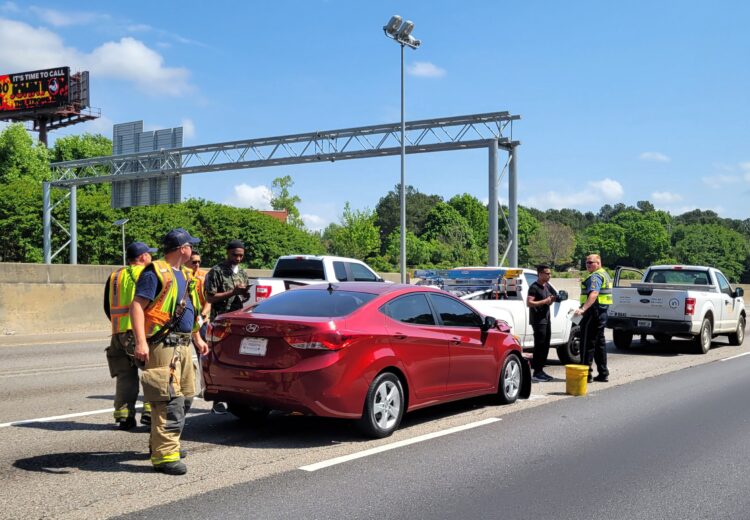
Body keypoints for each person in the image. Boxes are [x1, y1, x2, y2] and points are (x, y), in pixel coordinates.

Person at [130, 228, 209, 476]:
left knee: (185, 398)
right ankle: (165, 456)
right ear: (181, 249)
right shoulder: (155, 272)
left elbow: (188, 311)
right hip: (164, 346)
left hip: (184, 345)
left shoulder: (184, 275)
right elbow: (137, 306)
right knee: (168, 401)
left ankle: (163, 444)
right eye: (190, 246)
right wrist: (141, 342)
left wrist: (197, 338)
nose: (192, 250)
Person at [103, 241, 157, 430]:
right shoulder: (146, 274)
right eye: (149, 254)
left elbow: (106, 306)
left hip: (117, 333)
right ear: (143, 257)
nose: (151, 257)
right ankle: (151, 413)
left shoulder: (115, 276)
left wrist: (119, 326)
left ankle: (124, 416)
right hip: (139, 333)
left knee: (125, 376)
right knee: (153, 372)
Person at [204, 239, 250, 414]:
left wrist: (244, 294)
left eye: (241, 256)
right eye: (235, 255)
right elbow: (210, 298)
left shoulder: (243, 273)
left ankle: (237, 398)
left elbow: (243, 298)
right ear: (227, 253)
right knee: (219, 359)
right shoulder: (216, 272)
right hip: (221, 322)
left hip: (238, 322)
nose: (238, 259)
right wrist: (233, 292)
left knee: (238, 361)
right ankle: (217, 400)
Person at [574, 254, 613, 383]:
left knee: (587, 343)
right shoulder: (604, 274)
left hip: (592, 312)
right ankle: (603, 373)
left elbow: (594, 293)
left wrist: (583, 309)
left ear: (598, 263)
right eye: (586, 262)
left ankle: (586, 375)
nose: (588, 265)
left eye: (591, 262)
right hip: (601, 312)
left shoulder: (595, 276)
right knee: (599, 343)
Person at [526, 264, 558, 382]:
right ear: (540, 274)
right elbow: (529, 303)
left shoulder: (547, 286)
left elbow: (550, 298)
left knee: (545, 345)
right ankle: (537, 372)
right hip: (538, 321)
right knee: (540, 346)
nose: (549, 275)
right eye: (547, 273)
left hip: (546, 319)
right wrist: (545, 301)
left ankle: (540, 371)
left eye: (550, 273)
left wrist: (552, 300)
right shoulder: (534, 287)